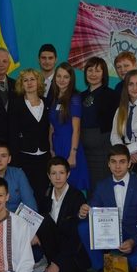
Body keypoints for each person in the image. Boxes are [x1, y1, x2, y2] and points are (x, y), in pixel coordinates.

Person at [77, 144, 137, 272]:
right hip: (108, 234)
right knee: (83, 227)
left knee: (136, 262)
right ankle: (101, 268)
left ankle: (122, 266)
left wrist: (133, 241)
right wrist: (83, 212)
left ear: (129, 163)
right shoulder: (101, 186)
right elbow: (92, 210)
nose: (117, 166)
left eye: (122, 162)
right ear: (108, 164)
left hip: (132, 235)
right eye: (113, 162)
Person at [36, 157, 90, 272]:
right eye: (54, 173)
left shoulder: (77, 196)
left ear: (68, 174)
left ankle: (59, 265)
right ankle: (49, 262)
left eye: (61, 173)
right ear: (49, 176)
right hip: (52, 247)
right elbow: (43, 226)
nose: (58, 177)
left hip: (71, 249)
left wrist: (57, 262)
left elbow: (75, 237)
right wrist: (34, 233)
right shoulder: (45, 194)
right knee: (43, 219)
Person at [7, 69, 51, 203]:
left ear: (38, 82)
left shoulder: (47, 102)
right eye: (25, 80)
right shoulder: (16, 104)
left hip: (44, 156)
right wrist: (14, 161)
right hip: (24, 158)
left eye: (32, 79)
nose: (29, 83)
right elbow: (12, 133)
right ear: (21, 84)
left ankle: (43, 216)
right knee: (27, 194)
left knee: (43, 193)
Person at [79, 57, 118, 193]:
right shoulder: (80, 96)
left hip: (103, 150)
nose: (93, 74)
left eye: (97, 71)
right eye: (90, 70)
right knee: (89, 187)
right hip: (83, 151)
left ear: (104, 73)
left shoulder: (112, 95)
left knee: (101, 188)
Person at [49, 63, 90, 191]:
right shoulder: (54, 97)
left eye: (66, 77)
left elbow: (76, 129)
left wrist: (73, 154)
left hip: (70, 145)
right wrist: (51, 148)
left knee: (72, 185)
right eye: (59, 76)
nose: (62, 80)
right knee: (59, 185)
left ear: (71, 79)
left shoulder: (74, 98)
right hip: (57, 146)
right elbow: (51, 127)